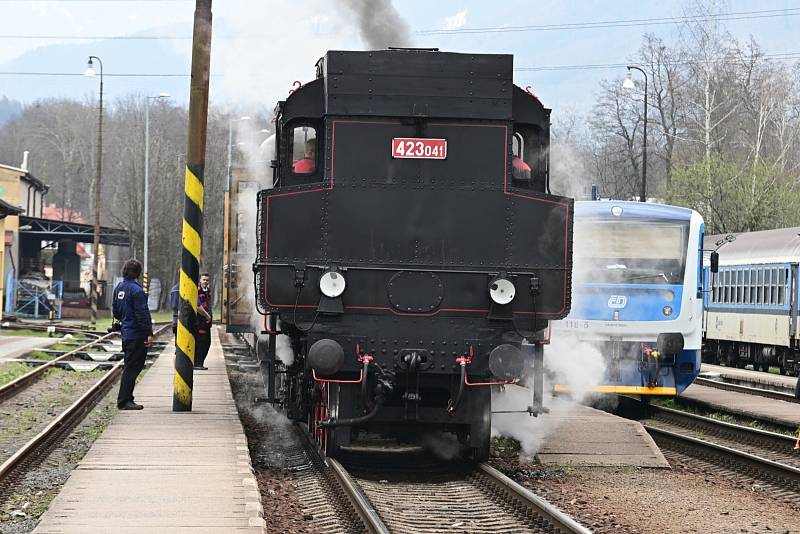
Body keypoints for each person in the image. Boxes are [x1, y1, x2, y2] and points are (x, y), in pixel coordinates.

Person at [112, 259, 153, 410]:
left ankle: (128, 398)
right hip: (137, 334)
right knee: (133, 367)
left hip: (126, 333)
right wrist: (148, 333)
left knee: (129, 365)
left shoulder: (119, 288)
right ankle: (124, 401)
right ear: (138, 273)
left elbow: (115, 311)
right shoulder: (137, 290)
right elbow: (142, 314)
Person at [194, 272, 212, 370]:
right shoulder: (197, 290)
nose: (205, 282)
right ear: (200, 280)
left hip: (206, 323)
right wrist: (207, 316)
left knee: (207, 343)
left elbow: (208, 305)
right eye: (204, 279)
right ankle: (197, 363)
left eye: (207, 280)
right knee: (201, 343)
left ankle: (200, 362)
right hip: (200, 322)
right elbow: (198, 307)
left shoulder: (208, 291)